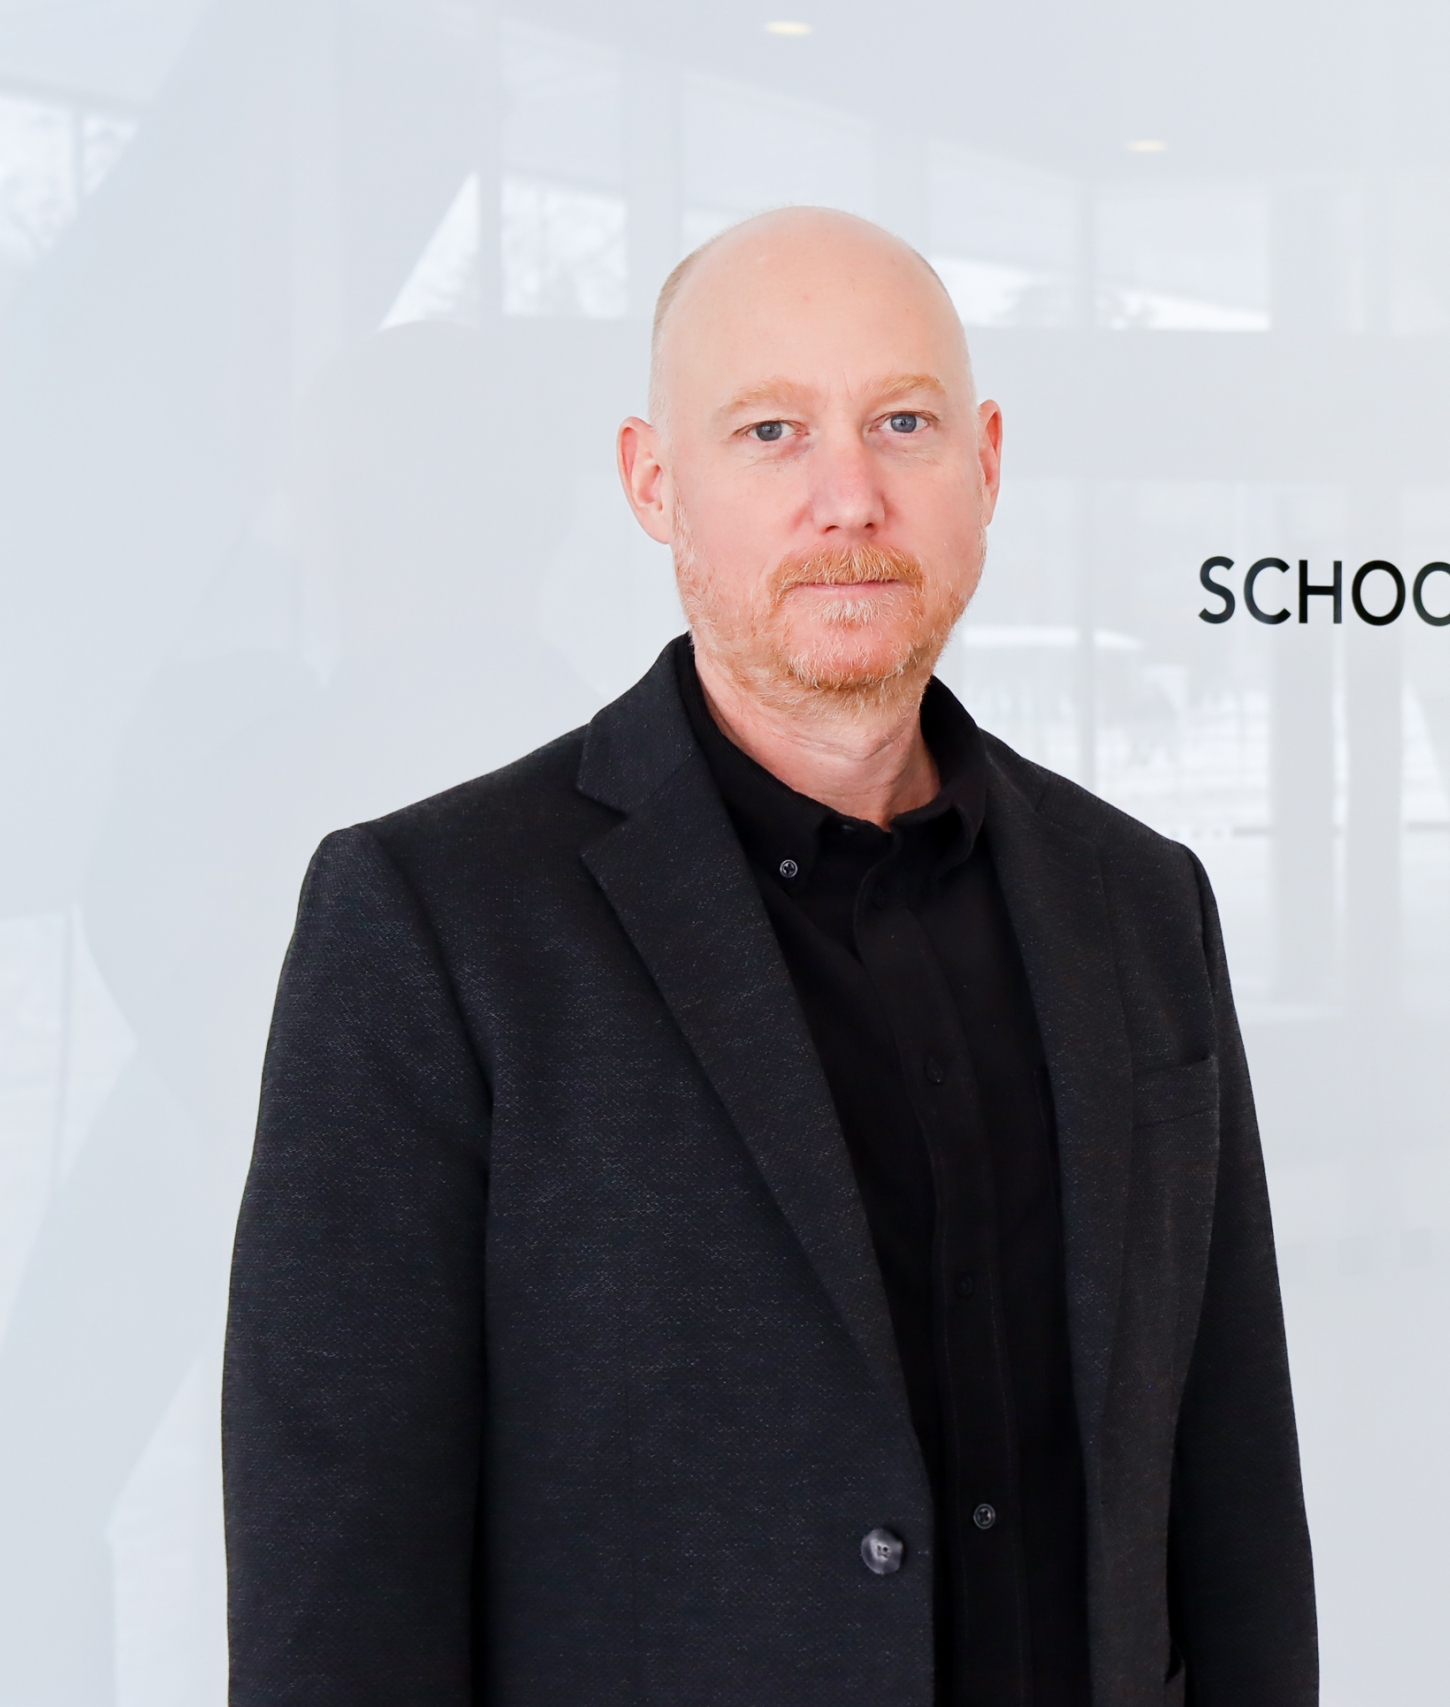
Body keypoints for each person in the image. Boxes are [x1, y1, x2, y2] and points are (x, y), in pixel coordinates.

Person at [221, 207, 1316, 1707]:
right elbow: (337, 1603)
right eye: (771, 432)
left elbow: (1234, 1500)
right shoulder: (429, 924)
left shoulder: (1143, 907)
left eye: (904, 422)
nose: (849, 495)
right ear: (654, 484)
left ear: (985, 465)